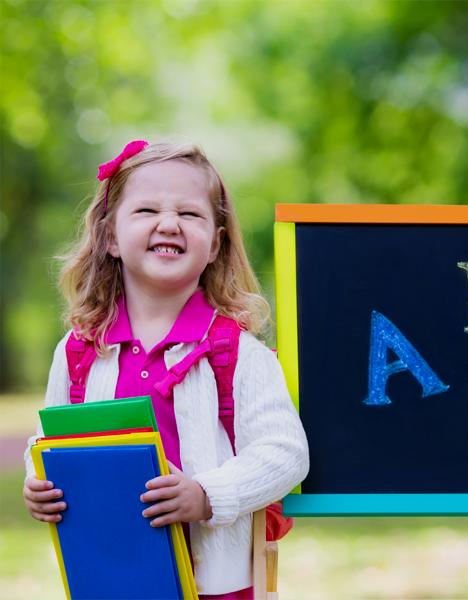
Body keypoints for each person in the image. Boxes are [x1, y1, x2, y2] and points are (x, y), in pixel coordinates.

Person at [21, 139, 309, 599]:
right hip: (109, 574)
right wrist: (36, 483)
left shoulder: (238, 353)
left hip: (214, 581)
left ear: (215, 244)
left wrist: (206, 494)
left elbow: (285, 453)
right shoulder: (79, 350)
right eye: (147, 210)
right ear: (110, 237)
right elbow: (48, 442)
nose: (169, 223)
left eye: (190, 214)